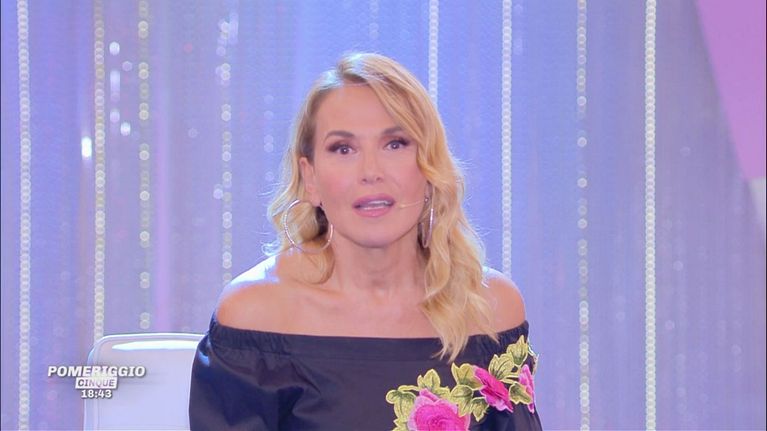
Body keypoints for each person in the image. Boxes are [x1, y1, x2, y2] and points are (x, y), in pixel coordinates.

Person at [189, 52, 542, 430]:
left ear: (430, 168)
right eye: (344, 149)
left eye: (395, 144)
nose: (371, 172)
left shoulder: (491, 309)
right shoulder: (254, 315)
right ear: (310, 177)